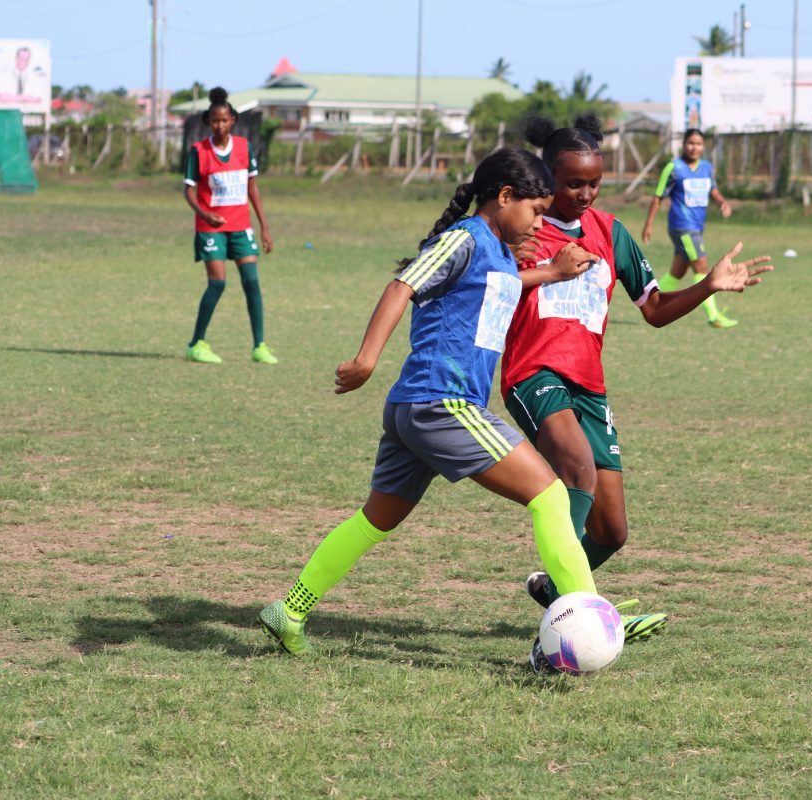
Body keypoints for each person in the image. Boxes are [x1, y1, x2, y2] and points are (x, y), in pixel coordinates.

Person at [257, 148, 599, 673]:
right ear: (504, 197)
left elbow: (496, 288)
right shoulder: (462, 238)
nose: (537, 222)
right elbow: (402, 285)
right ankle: (590, 620)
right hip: (443, 404)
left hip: (417, 408)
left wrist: (551, 273)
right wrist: (367, 359)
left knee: (376, 520)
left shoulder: (499, 251)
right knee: (551, 496)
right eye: (533, 210)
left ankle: (289, 610)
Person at [505, 115, 771, 640]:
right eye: (572, 183)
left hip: (589, 384)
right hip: (533, 374)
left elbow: (653, 308)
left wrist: (708, 286)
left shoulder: (610, 233)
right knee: (577, 470)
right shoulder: (525, 230)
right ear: (547, 179)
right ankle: (579, 619)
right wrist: (543, 269)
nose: (584, 193)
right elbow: (490, 286)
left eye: (593, 183)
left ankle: (556, 593)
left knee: (612, 530)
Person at [183, 87, 278, 364]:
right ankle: (196, 343)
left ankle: (259, 346)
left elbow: (252, 188)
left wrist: (265, 227)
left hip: (240, 226)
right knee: (218, 284)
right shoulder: (198, 152)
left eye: (224, 120)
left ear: (233, 120)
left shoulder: (244, 147)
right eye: (215, 121)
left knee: (252, 281)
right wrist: (205, 213)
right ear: (208, 122)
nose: (220, 125)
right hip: (210, 228)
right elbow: (188, 191)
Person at [641, 128, 737, 329]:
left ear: (703, 147)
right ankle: (713, 316)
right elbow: (658, 196)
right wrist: (648, 225)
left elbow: (714, 191)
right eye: (690, 143)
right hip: (682, 226)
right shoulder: (674, 167)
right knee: (702, 266)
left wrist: (722, 203)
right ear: (683, 145)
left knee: (678, 272)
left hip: (696, 227)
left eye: (699, 144)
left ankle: (651, 305)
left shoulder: (707, 168)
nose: (694, 147)